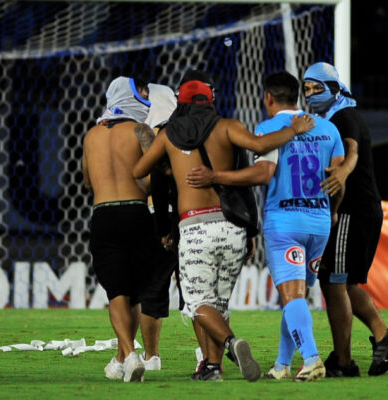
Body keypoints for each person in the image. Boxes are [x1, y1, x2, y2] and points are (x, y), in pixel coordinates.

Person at [133, 70, 314, 382]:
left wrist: (161, 156)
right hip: (232, 226)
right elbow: (259, 147)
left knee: (196, 303)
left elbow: (139, 170)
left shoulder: (169, 134)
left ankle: (232, 343)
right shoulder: (227, 126)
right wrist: (293, 130)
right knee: (218, 303)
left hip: (194, 227)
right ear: (211, 97)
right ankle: (213, 368)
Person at [187, 72, 344, 382]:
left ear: (268, 98)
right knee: (295, 296)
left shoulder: (269, 128)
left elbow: (263, 173)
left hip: (284, 221)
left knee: (292, 296)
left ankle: (312, 359)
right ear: (297, 96)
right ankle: (283, 364)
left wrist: (215, 177)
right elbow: (339, 181)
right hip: (320, 222)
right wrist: (333, 213)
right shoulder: (329, 128)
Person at [304, 61, 388, 377]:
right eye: (305, 88)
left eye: (316, 87)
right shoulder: (340, 117)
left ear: (335, 88)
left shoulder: (344, 118)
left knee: (333, 283)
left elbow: (352, 151)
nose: (309, 94)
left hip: (351, 211)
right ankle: (382, 337)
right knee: (342, 283)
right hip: (358, 211)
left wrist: (344, 171)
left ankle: (345, 362)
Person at [83, 76, 153, 382]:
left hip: (104, 215)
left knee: (116, 292)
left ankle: (127, 355)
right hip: (137, 213)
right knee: (134, 294)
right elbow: (154, 177)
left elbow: (87, 181)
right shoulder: (140, 131)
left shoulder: (90, 136)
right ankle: (127, 355)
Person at [137, 83, 179, 371]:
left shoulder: (144, 133)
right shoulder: (193, 132)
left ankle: (151, 357)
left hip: (158, 216)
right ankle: (208, 357)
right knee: (200, 293)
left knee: (152, 290)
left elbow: (149, 182)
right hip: (195, 216)